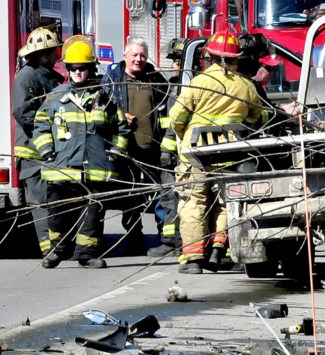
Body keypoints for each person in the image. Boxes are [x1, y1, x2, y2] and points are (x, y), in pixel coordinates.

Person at [169, 30, 263, 275]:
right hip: (231, 156)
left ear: (208, 56)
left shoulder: (198, 83)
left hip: (196, 156)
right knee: (225, 202)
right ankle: (218, 249)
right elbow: (258, 118)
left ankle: (194, 259)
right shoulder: (247, 86)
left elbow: (176, 118)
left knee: (193, 202)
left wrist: (184, 135)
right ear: (235, 58)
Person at [34, 39, 132, 269]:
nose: (77, 72)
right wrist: (47, 151)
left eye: (82, 68)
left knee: (92, 214)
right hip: (61, 167)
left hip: (94, 167)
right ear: (67, 70)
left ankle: (87, 255)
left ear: (91, 68)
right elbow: (40, 125)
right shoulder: (56, 97)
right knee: (58, 213)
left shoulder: (104, 97)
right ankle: (57, 252)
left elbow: (121, 127)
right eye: (73, 68)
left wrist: (116, 150)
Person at [102, 38, 169, 254]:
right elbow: (101, 111)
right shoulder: (112, 80)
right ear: (125, 56)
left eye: (142, 55)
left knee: (161, 195)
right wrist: (119, 117)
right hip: (125, 150)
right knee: (130, 196)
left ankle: (165, 237)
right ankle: (133, 237)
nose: (139, 59)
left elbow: (166, 112)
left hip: (152, 149)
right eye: (135, 55)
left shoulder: (156, 80)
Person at [11, 26, 64, 257]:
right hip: (33, 154)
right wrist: (51, 124)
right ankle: (48, 249)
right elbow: (23, 113)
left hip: (52, 151)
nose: (57, 55)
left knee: (54, 200)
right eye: (54, 51)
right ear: (44, 54)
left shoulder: (50, 76)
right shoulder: (27, 77)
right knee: (40, 202)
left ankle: (59, 245)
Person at [147, 38, 186, 258]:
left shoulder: (185, 88)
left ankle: (175, 242)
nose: (173, 66)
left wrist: (166, 151)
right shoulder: (171, 86)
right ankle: (171, 240)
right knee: (168, 197)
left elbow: (173, 125)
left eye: (176, 61)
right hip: (170, 151)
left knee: (174, 198)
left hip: (176, 153)